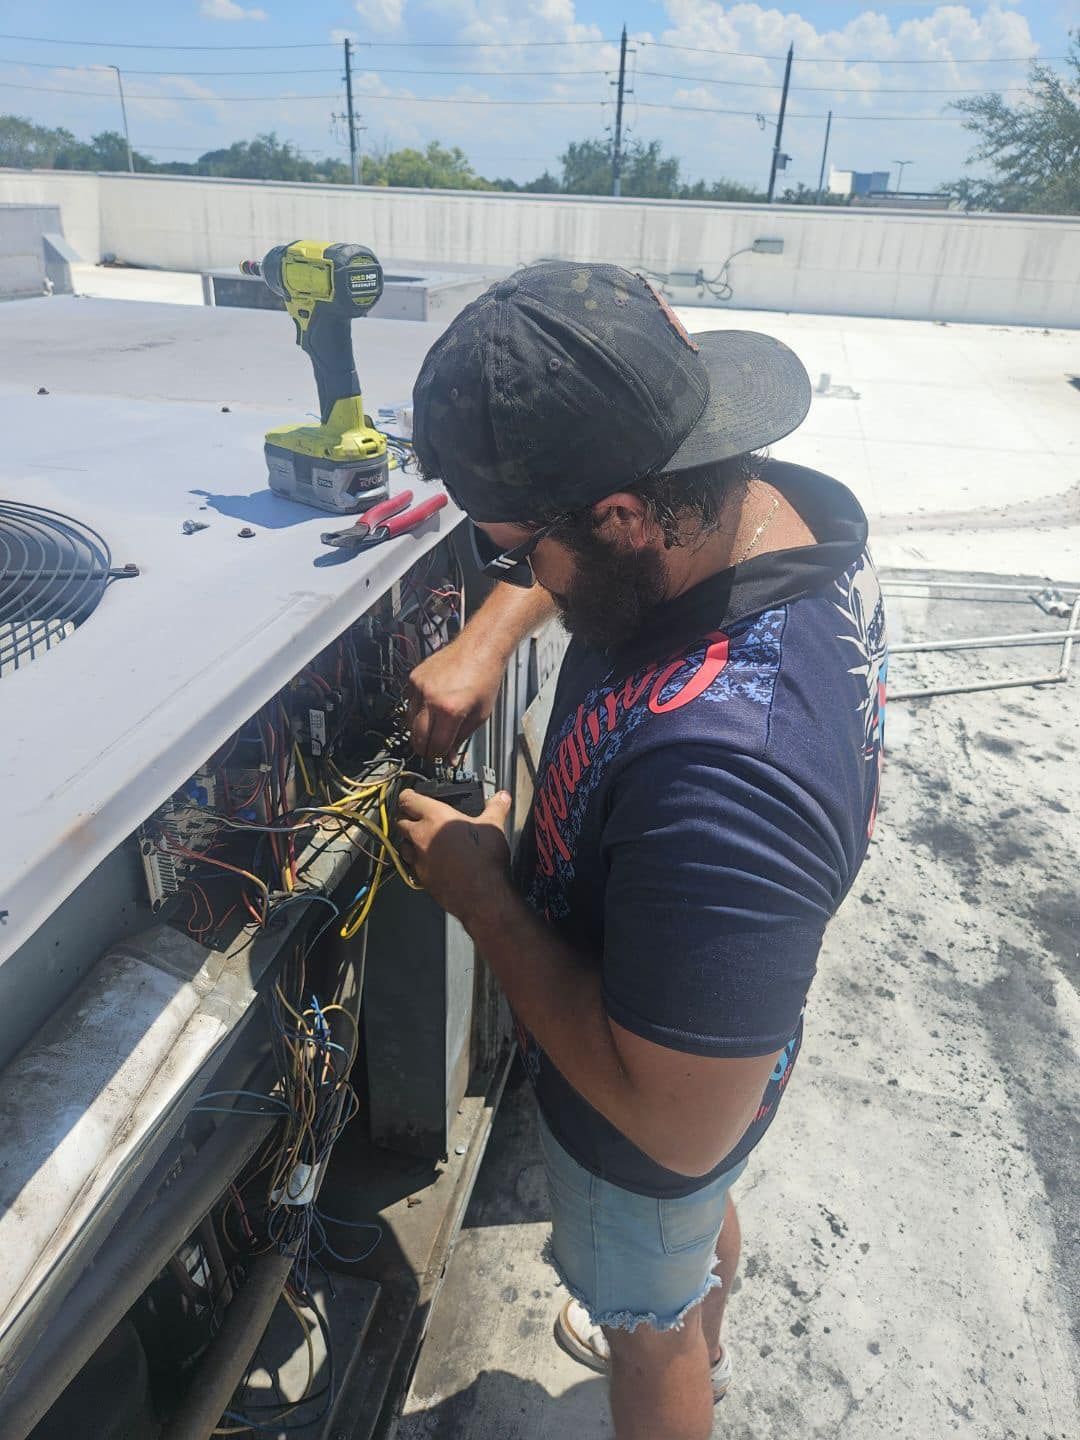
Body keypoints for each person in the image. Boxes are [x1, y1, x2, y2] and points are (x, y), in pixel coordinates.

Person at [395, 262, 887, 1440]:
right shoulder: (776, 511)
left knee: (644, 1323)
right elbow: (598, 553)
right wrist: (488, 631)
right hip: (717, 1037)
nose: (514, 578)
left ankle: (674, 1347)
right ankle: (694, 1312)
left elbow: (675, 1125)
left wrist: (482, 896)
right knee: (701, 1220)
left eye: (514, 555)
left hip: (653, 1117)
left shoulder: (726, 782)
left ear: (621, 518)